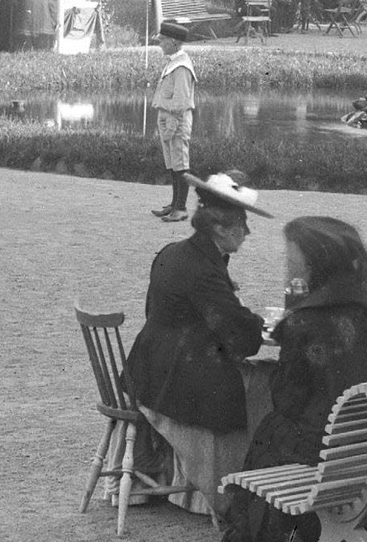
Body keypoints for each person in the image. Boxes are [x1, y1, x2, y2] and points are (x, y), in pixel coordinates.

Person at [225, 216, 367, 542]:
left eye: (293, 255)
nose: (289, 261)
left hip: (324, 451)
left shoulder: (305, 321)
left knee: (272, 428)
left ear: (313, 262)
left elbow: (288, 401)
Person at [121, 172, 270, 523]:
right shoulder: (204, 268)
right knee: (264, 383)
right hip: (174, 376)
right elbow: (236, 335)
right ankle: (239, 490)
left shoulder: (174, 252)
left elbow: (156, 312)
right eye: (242, 225)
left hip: (144, 365)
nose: (246, 232)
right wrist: (262, 326)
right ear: (220, 228)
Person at [148, 21, 198, 222]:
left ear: (174, 42)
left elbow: (182, 101)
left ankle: (181, 208)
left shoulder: (182, 67)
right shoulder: (173, 62)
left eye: (163, 41)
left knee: (180, 163)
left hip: (175, 120)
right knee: (172, 163)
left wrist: (171, 125)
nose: (160, 44)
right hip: (167, 117)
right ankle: (174, 203)